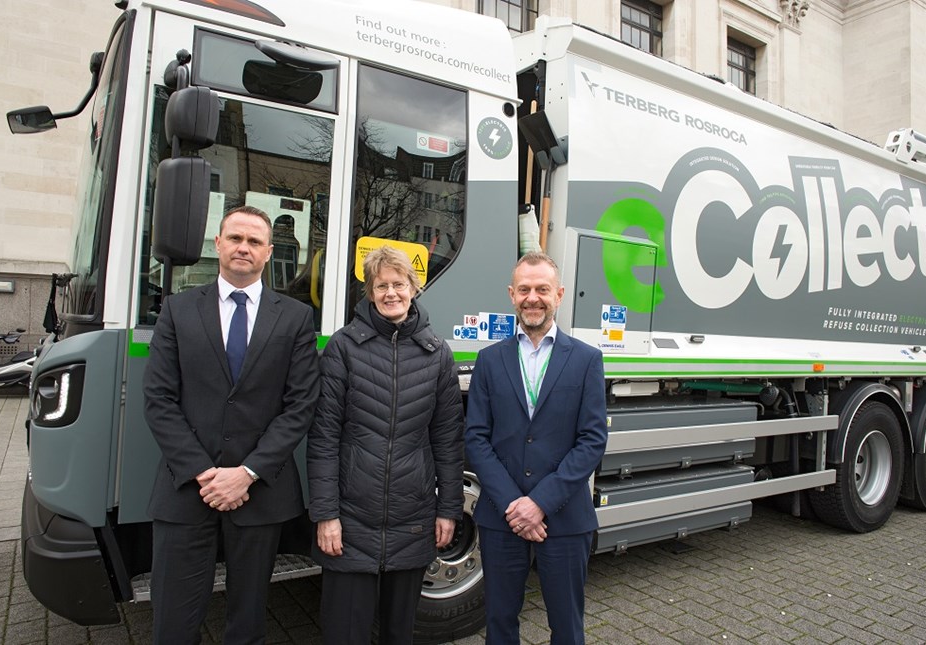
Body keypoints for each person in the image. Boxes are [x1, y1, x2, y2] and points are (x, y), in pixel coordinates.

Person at [144, 205, 320, 644]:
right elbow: (158, 399)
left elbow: (299, 405)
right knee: (173, 621)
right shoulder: (178, 310)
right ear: (218, 244)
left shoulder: (296, 318)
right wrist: (205, 473)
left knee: (248, 620)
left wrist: (246, 473)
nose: (244, 247)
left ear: (269, 252)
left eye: (255, 241)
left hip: (259, 492)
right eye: (236, 238)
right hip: (187, 488)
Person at [307, 245, 464, 645]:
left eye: (399, 284)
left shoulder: (437, 354)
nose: (391, 292)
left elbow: (447, 440)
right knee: (344, 634)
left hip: (412, 519)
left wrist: (448, 510)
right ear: (370, 291)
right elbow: (324, 437)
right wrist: (326, 515)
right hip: (350, 521)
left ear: (414, 288)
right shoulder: (344, 347)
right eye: (381, 285)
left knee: (399, 635)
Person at [464, 252, 608, 645]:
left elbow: (592, 440)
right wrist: (515, 504)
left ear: (559, 294)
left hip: (564, 519)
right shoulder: (489, 360)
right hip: (502, 517)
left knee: (566, 628)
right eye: (524, 289)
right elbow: (476, 437)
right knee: (499, 624)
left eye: (542, 289)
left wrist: (540, 502)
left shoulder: (586, 360)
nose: (533, 298)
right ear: (511, 295)